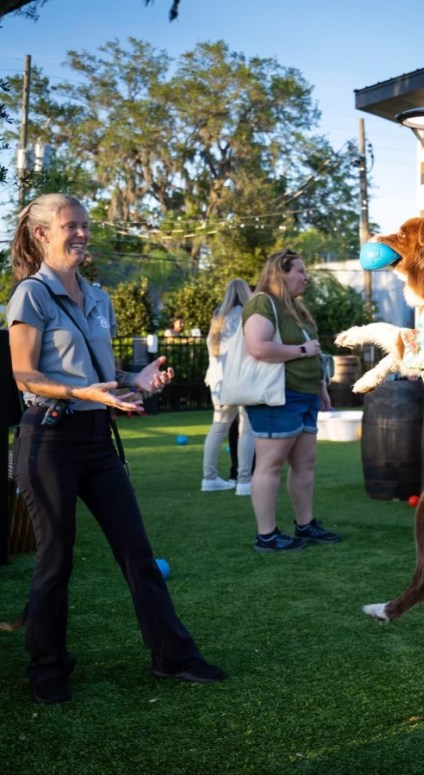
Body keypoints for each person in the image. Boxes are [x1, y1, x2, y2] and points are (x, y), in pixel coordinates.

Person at [7, 193, 227, 705]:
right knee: (55, 559)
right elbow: (24, 375)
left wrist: (138, 379)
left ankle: (172, 657)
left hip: (96, 441)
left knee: (138, 554)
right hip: (48, 438)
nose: (82, 233)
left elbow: (107, 378)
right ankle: (47, 668)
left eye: (85, 224)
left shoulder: (99, 298)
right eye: (71, 225)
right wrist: (83, 392)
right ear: (42, 234)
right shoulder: (31, 296)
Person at [242, 248, 341, 551]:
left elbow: (314, 351)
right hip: (277, 397)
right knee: (270, 465)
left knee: (304, 464)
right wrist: (302, 351)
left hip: (305, 394)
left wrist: (321, 387)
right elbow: (258, 348)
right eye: (299, 270)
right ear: (280, 273)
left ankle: (305, 524)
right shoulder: (262, 303)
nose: (305, 277)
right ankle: (267, 536)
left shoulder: (296, 309)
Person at [202, 278, 255, 495]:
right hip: (240, 379)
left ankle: (209, 477)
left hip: (217, 380)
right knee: (246, 428)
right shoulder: (247, 316)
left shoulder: (218, 319)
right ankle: (244, 481)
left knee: (218, 428)